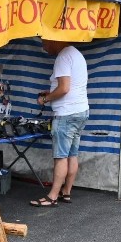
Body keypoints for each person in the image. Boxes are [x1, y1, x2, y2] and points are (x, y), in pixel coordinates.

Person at [30, 39, 89, 207]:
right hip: (80, 111)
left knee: (61, 156)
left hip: (66, 114)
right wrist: (52, 92)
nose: (43, 46)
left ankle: (52, 196)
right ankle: (66, 192)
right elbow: (70, 86)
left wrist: (45, 99)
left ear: (54, 39)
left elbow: (64, 88)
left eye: (44, 42)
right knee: (72, 154)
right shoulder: (76, 54)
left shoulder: (63, 57)